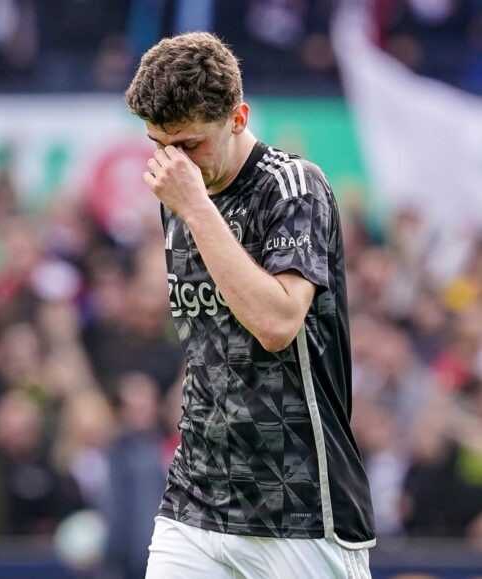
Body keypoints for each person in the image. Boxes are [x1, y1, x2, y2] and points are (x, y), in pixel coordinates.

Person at [124, 32, 376, 578]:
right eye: (158, 143)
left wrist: (195, 209)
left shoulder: (293, 186)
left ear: (238, 117)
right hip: (196, 502)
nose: (173, 163)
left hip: (301, 507)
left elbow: (277, 322)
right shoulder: (183, 195)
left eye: (189, 144)